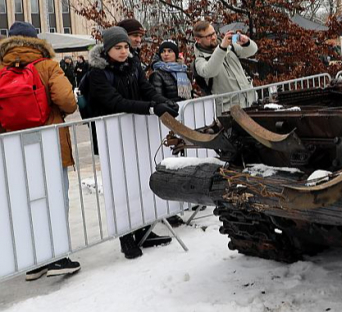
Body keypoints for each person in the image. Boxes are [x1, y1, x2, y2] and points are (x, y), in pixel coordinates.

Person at [85, 26, 178, 259]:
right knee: (120, 185)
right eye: (118, 48)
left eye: (126, 47)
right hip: (111, 138)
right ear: (107, 50)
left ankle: (144, 230)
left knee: (140, 179)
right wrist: (151, 108)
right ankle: (126, 237)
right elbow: (115, 102)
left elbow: (146, 89)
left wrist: (163, 102)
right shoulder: (97, 73)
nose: (124, 51)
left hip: (133, 134)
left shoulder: (133, 65)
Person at [0, 22, 81, 279]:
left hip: (14, 146)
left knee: (25, 201)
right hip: (49, 141)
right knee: (55, 196)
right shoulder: (47, 65)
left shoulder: (1, 68)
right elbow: (67, 101)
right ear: (36, 40)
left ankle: (32, 262)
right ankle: (58, 256)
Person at [192, 20, 258, 106]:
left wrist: (246, 42)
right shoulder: (200, 60)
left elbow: (252, 51)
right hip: (228, 109)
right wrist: (222, 48)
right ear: (198, 39)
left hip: (250, 101)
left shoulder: (229, 46)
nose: (213, 37)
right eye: (208, 36)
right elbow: (210, 71)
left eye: (214, 33)